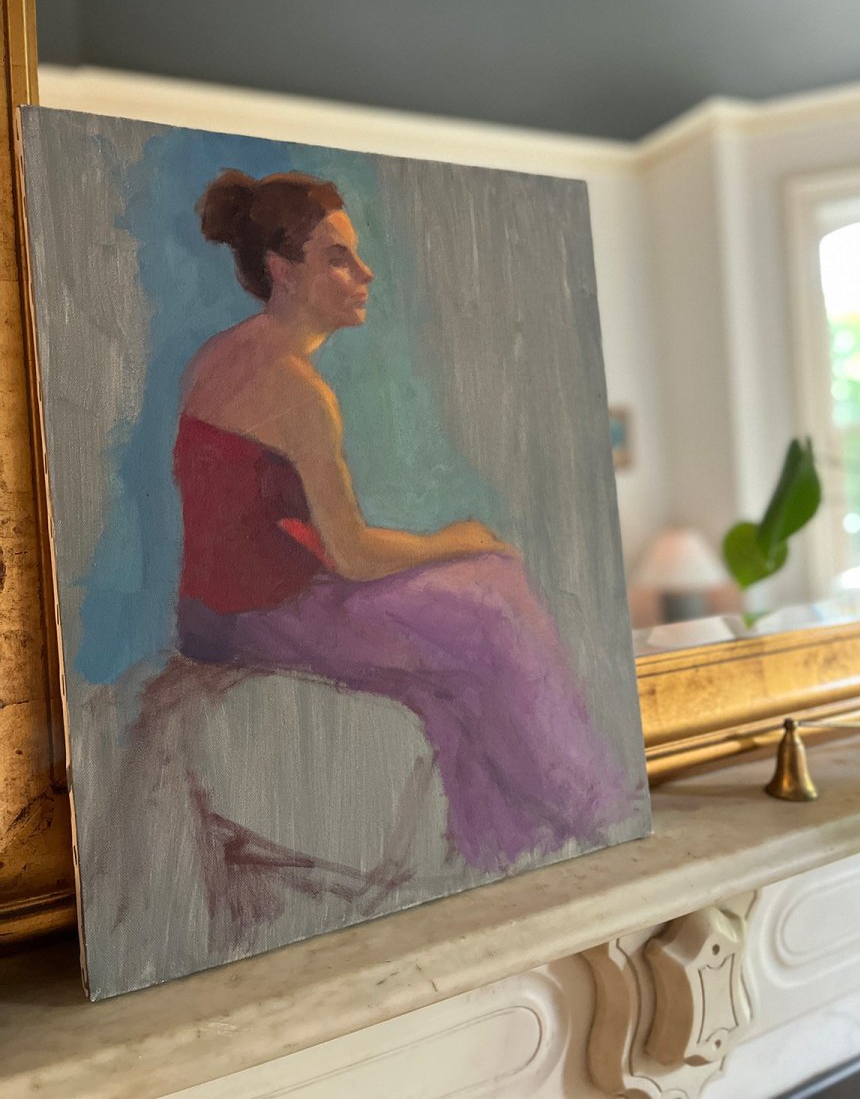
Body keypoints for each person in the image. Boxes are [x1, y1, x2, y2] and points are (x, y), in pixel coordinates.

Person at [173, 168, 629, 875]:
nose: (365, 273)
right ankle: (597, 811)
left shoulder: (219, 356)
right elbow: (353, 553)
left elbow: (255, 523)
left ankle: (513, 843)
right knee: (494, 598)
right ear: (282, 271)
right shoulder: (296, 390)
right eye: (338, 258)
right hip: (265, 613)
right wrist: (456, 542)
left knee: (455, 673)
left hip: (223, 610)